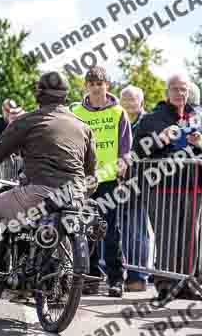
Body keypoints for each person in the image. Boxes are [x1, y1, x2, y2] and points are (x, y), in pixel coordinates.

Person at [0, 71, 96, 286]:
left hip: (40, 191)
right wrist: (83, 194)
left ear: (39, 95)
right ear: (66, 96)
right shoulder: (83, 126)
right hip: (75, 194)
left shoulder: (29, 121)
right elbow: (90, 170)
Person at [133, 72, 202, 299]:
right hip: (163, 187)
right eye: (175, 88)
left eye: (183, 89)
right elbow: (138, 151)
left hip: (193, 187)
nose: (180, 93)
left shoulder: (197, 116)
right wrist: (159, 139)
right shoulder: (153, 118)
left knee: (189, 238)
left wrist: (199, 144)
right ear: (167, 92)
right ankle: (166, 285)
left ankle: (187, 283)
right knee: (167, 236)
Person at [70, 66, 132, 297]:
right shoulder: (76, 111)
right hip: (84, 181)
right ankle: (91, 277)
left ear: (108, 85)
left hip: (108, 180)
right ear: (86, 86)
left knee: (111, 232)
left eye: (100, 84)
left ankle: (117, 280)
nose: (96, 88)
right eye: (92, 84)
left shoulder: (118, 112)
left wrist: (123, 164)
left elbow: (125, 146)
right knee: (86, 230)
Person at [118, 85, 149, 292]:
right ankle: (123, 274)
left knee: (136, 232)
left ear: (141, 103)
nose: (128, 103)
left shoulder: (146, 123)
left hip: (139, 184)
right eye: (125, 99)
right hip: (117, 183)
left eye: (132, 99)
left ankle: (138, 277)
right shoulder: (118, 120)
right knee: (120, 231)